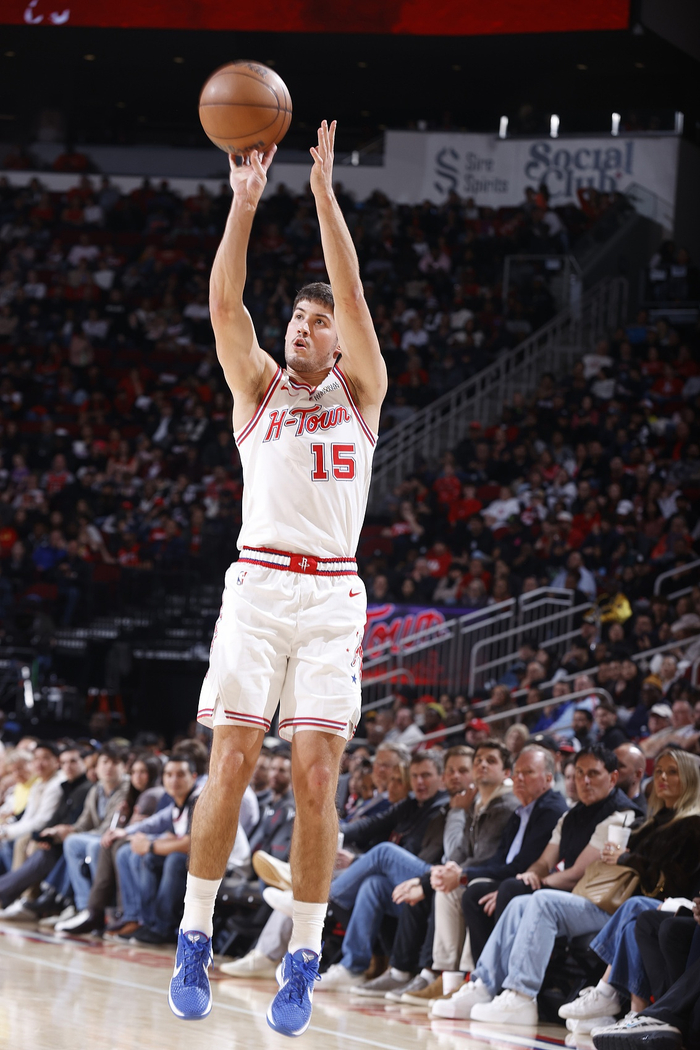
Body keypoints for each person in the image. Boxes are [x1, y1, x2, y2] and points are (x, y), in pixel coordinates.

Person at [168, 119, 387, 1039]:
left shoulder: (362, 391)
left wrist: (326, 195)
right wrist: (245, 205)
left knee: (315, 776)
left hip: (332, 596)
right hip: (258, 588)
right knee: (231, 758)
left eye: (317, 320)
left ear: (338, 343)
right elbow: (225, 304)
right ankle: (193, 934)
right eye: (297, 315)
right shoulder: (256, 389)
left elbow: (353, 290)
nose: (304, 323)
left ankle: (303, 952)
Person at [432, 746, 643, 1024]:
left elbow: (577, 874)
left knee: (540, 900)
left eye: (593, 774)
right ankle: (484, 985)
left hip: (604, 907)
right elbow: (544, 861)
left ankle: (522, 994)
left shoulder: (621, 815)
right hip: (574, 900)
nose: (584, 781)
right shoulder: (571, 815)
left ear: (613, 778)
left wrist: (539, 883)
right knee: (518, 899)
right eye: (580, 773)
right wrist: (530, 876)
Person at [559, 749, 700, 1033]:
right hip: (639, 901)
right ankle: (633, 1011)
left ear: (691, 778)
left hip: (675, 902)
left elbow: (677, 881)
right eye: (658, 771)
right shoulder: (651, 822)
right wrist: (615, 854)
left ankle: (607, 992)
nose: (662, 777)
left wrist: (627, 859)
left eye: (672, 772)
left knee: (636, 910)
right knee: (634, 917)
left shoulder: (694, 824)